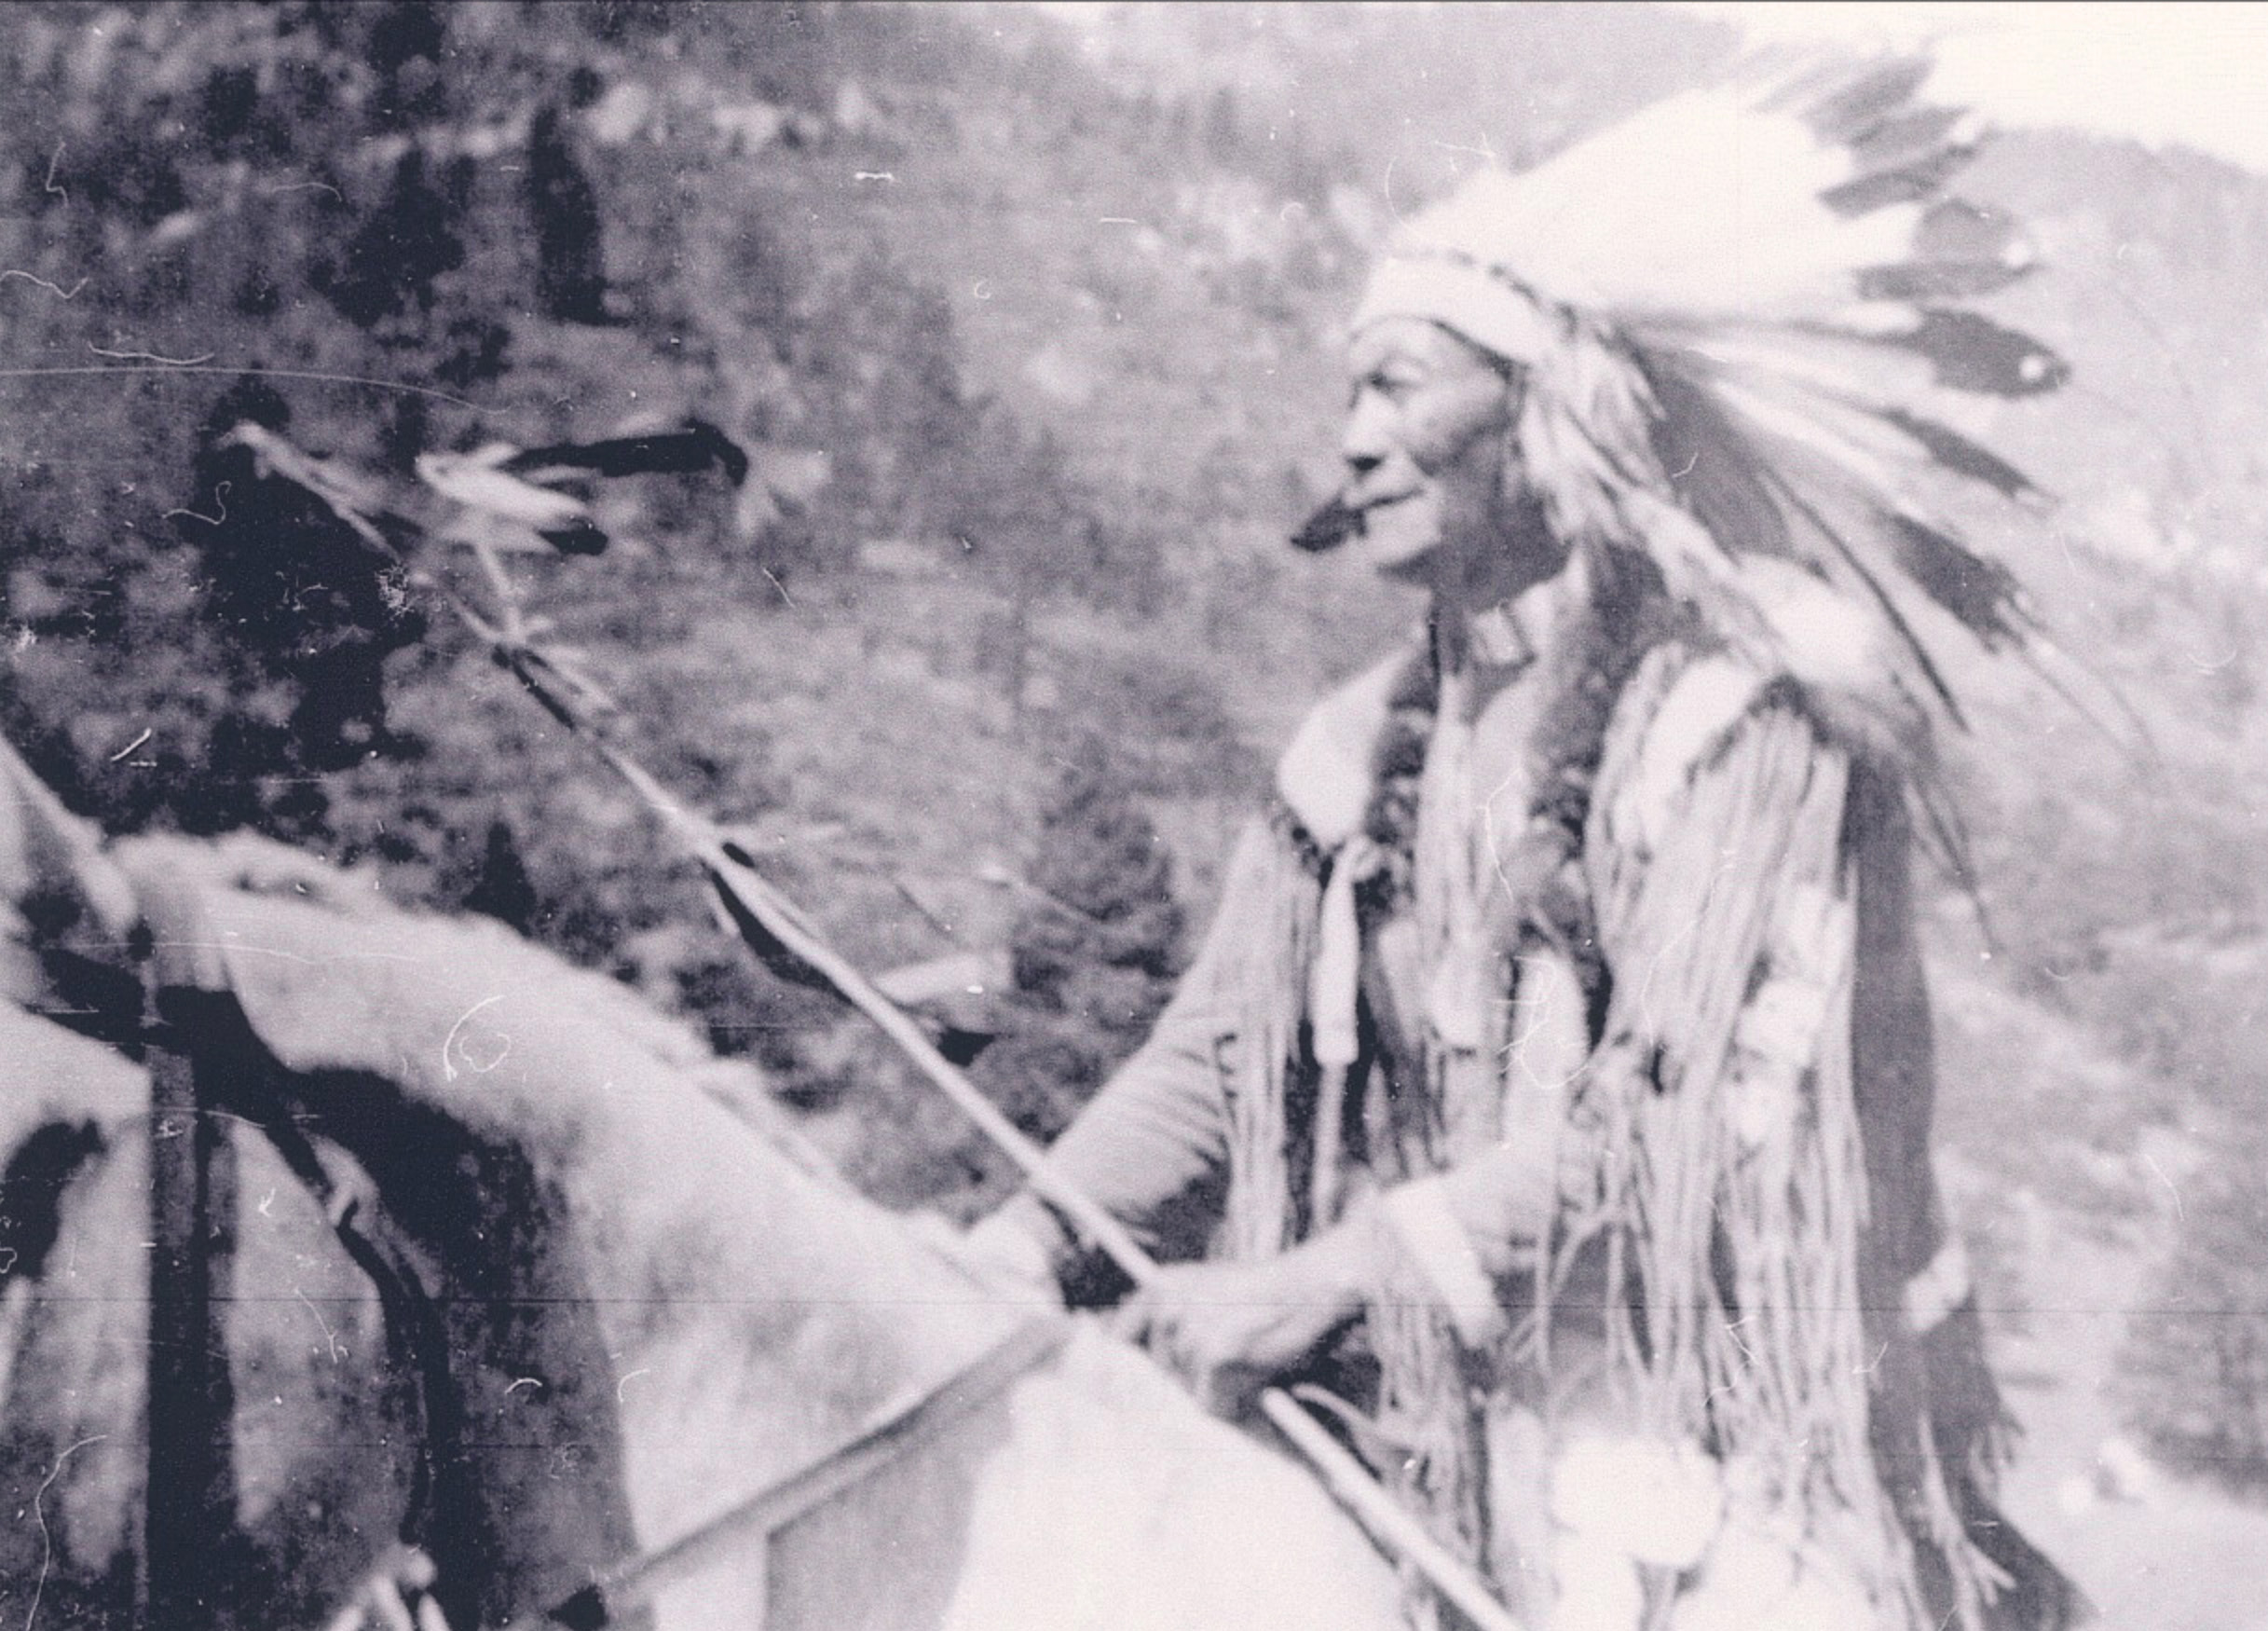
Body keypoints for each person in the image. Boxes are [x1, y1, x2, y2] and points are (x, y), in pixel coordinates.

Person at [971, 59, 2082, 1631]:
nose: (1347, 440)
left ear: (1547, 413)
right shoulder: (1357, 746)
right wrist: (1023, 1236)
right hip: (1437, 1432)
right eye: (1346, 391)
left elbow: (1685, 1132)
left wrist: (1328, 1278)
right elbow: (1220, 1055)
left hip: (1723, 1446)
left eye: (1398, 385)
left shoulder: (1742, 727)